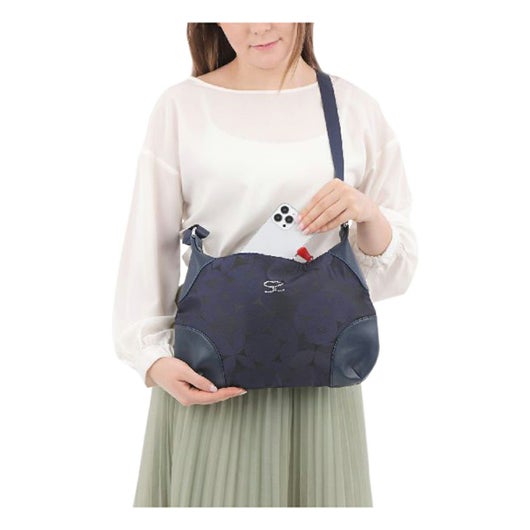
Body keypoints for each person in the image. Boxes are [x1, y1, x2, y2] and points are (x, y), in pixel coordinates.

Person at [112, 22, 418, 507]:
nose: (259, 24)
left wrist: (367, 213)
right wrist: (152, 359)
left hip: (321, 382)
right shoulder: (182, 107)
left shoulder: (354, 108)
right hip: (210, 380)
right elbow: (147, 241)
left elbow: (393, 273)